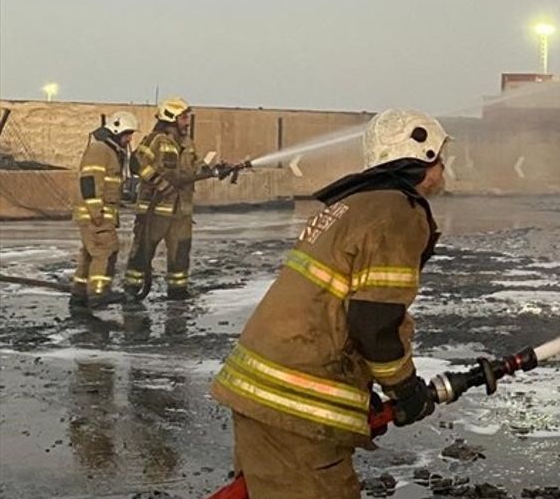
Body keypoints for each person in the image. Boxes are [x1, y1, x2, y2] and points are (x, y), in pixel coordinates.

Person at [210, 108, 447, 499]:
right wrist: (405, 389)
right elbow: (374, 321)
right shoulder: (395, 213)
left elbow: (327, 308)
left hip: (262, 388)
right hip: (294, 406)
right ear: (421, 159)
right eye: (440, 159)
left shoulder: (349, 206)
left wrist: (361, 388)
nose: (443, 170)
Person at [124, 96, 221, 302]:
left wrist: (216, 170)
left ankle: (177, 292)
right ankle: (132, 289)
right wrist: (160, 183)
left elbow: (197, 167)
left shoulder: (187, 143)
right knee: (143, 250)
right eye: (184, 118)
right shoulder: (155, 140)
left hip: (181, 211)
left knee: (181, 252)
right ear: (171, 118)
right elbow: (137, 163)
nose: (187, 122)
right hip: (155, 209)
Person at [71, 111, 139, 309]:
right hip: (95, 214)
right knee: (106, 250)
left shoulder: (109, 151)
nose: (129, 139)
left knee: (90, 253)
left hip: (98, 212)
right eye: (127, 134)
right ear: (117, 131)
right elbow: (89, 180)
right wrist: (96, 211)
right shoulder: (100, 149)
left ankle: (80, 293)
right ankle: (99, 292)